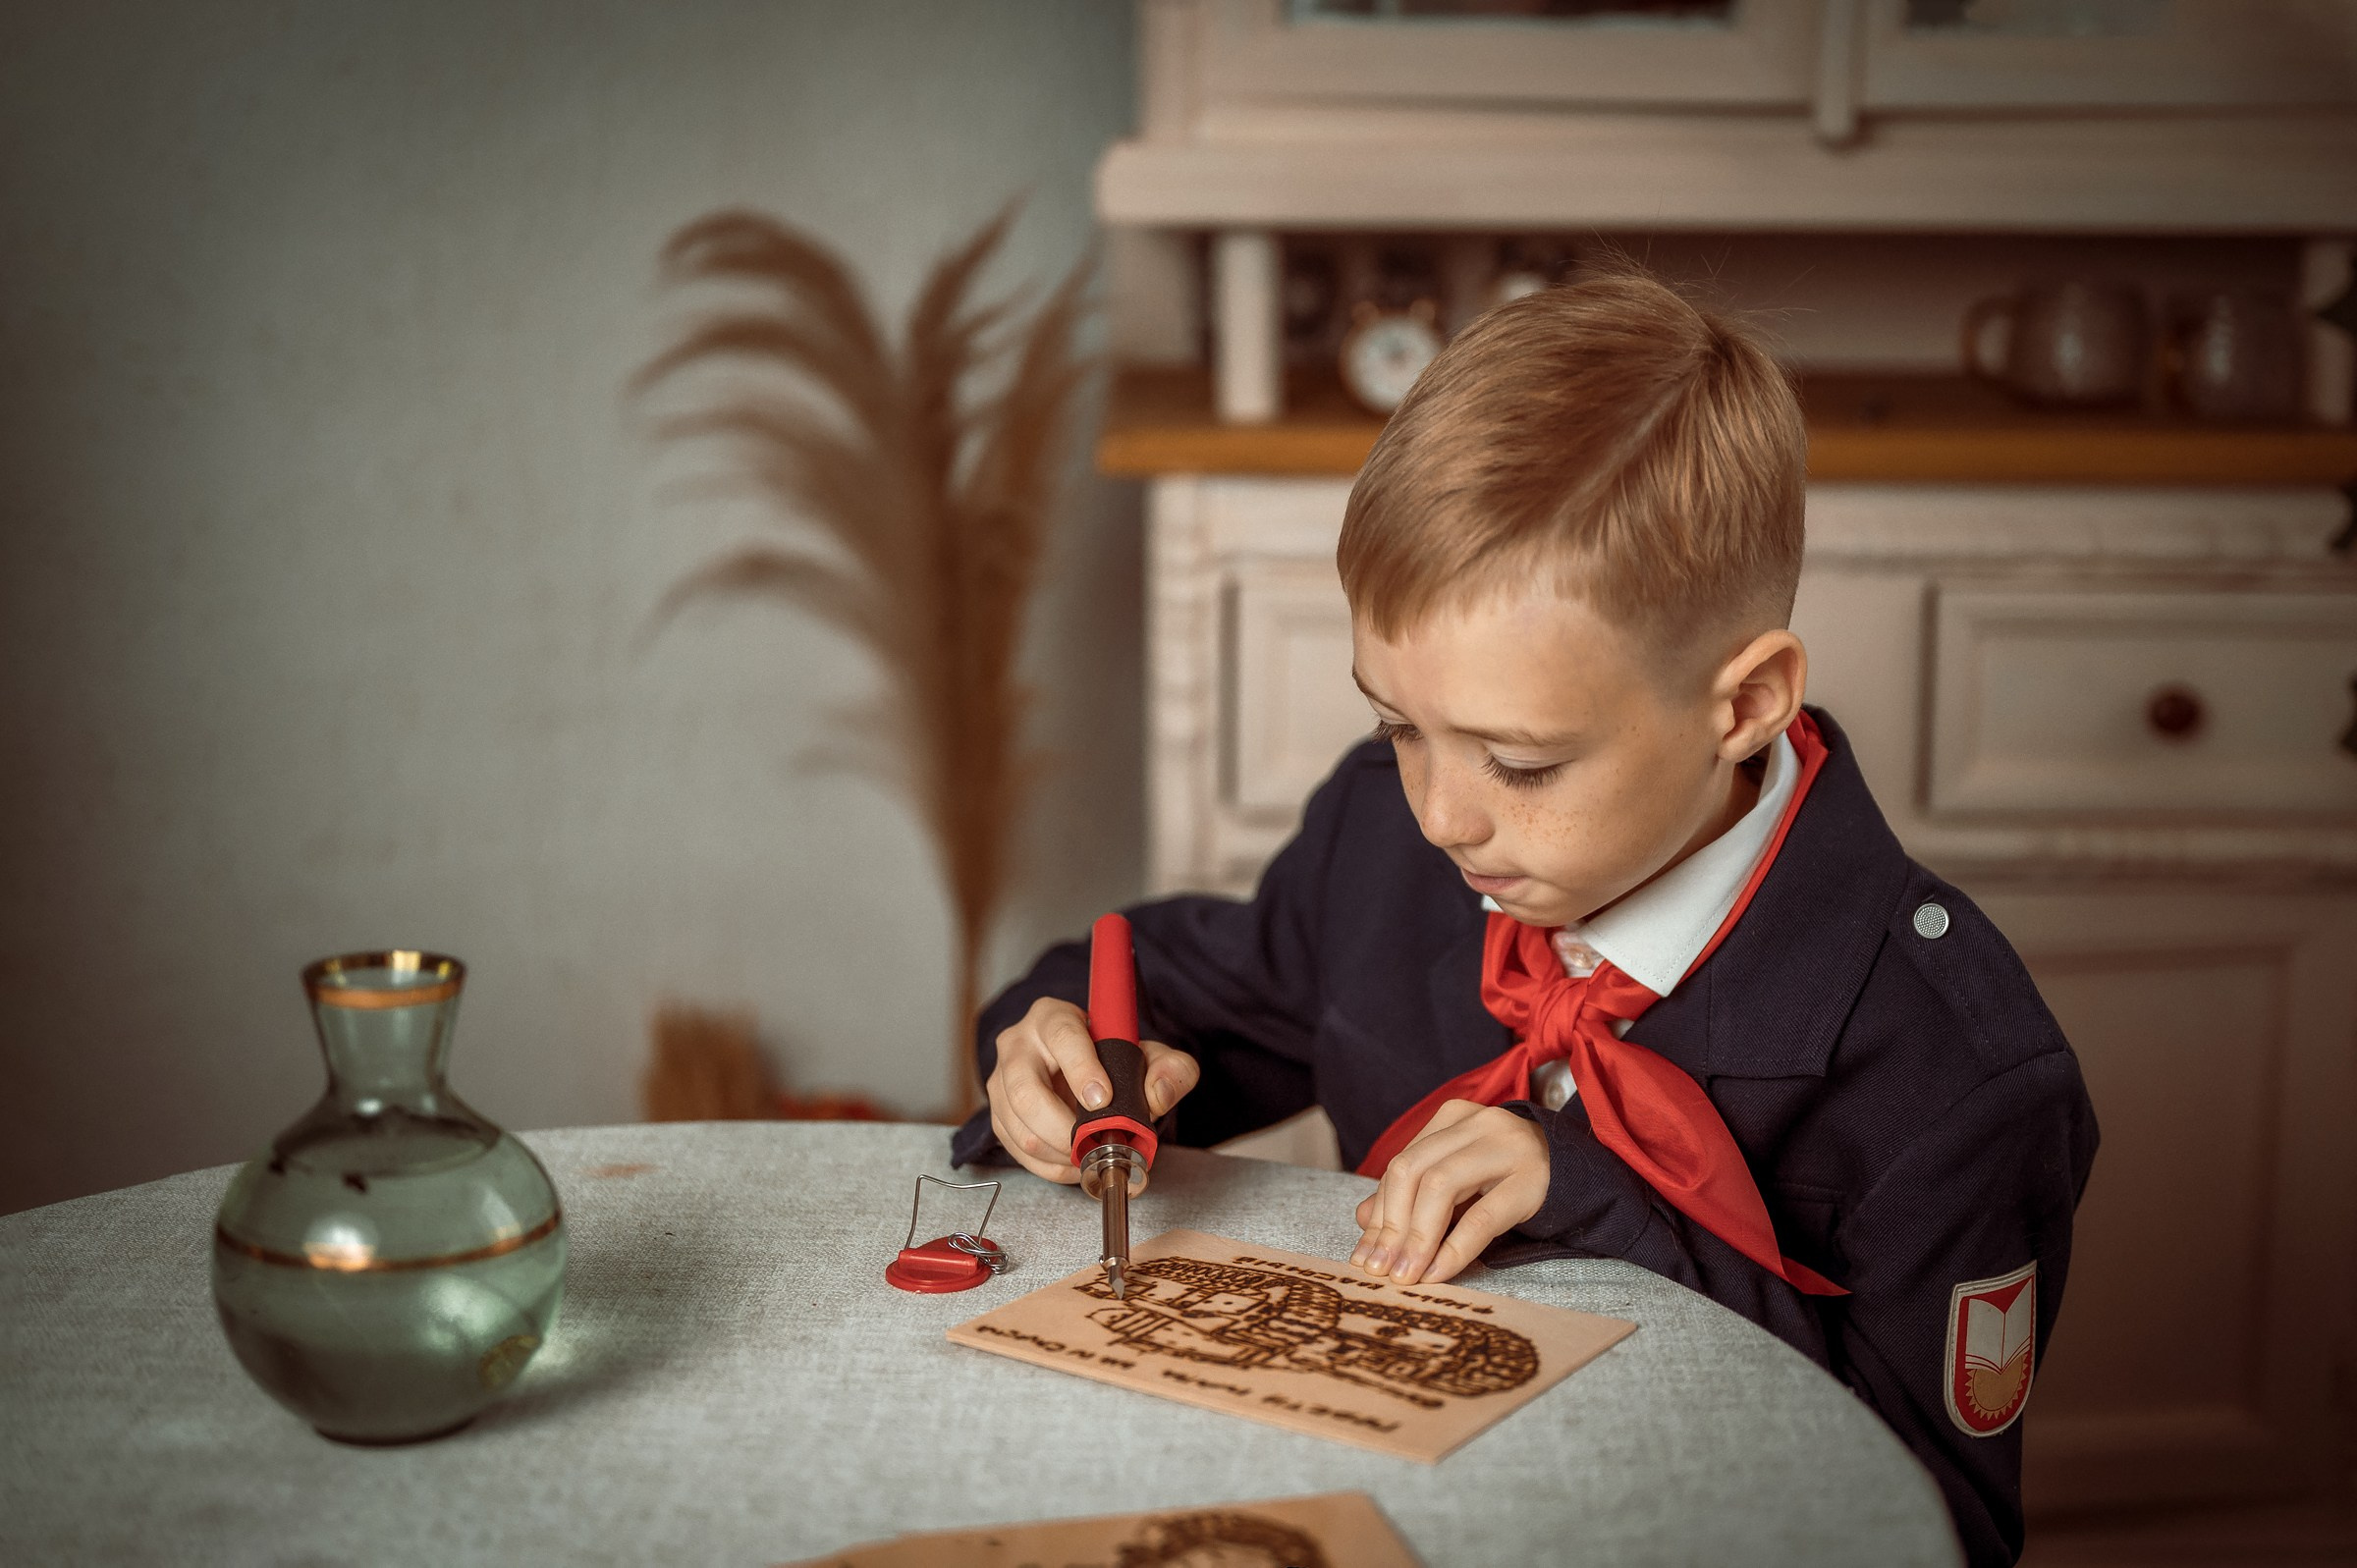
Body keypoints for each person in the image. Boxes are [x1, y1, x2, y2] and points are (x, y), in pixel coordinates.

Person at [952, 268, 2099, 1567]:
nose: (1442, 814)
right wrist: (1053, 1053)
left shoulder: (1957, 1067)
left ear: (1744, 703)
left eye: (1523, 761)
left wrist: (1603, 1204)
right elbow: (1167, 989)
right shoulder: (1382, 839)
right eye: (1397, 723)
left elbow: (1922, 1519)